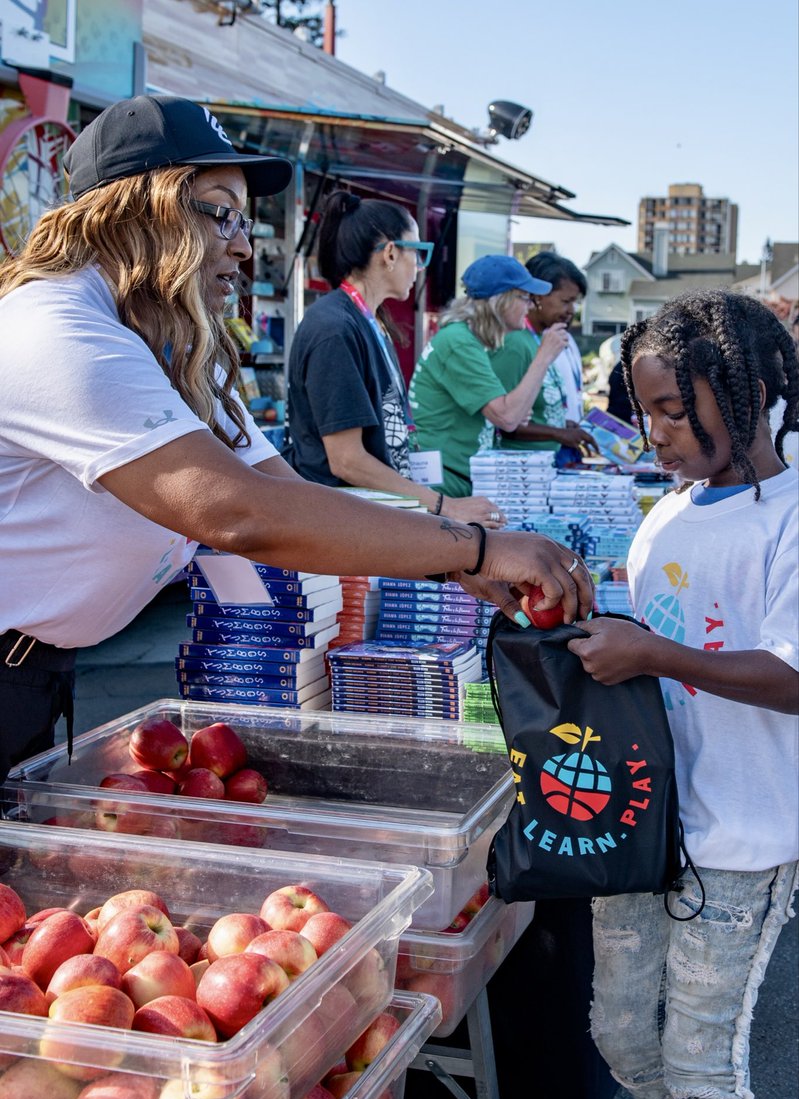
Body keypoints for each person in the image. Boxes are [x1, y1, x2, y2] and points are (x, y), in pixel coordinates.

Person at [0, 94, 595, 786]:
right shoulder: (60, 332)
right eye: (219, 212)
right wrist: (478, 548)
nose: (244, 245)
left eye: (244, 220)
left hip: (36, 672)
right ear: (134, 213)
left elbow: (284, 490)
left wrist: (451, 562)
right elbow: (239, 512)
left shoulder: (169, 343)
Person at [567, 289, 799, 1099]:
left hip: (745, 835)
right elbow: (652, 652)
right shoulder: (669, 510)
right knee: (620, 1032)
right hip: (645, 825)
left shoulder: (789, 517)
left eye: (674, 409)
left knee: (702, 1061)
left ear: (752, 392)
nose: (654, 434)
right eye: (644, 411)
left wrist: (653, 651)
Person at [282, 191, 503, 527]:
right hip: (340, 524)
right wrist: (445, 506)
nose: (418, 266)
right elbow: (347, 461)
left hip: (372, 515)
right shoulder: (334, 329)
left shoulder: (368, 320)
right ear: (390, 253)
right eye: (418, 252)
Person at [409, 255, 568, 497]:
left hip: (454, 475)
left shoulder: (468, 339)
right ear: (500, 301)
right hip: (445, 481)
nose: (530, 306)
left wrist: (514, 409)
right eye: (525, 297)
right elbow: (507, 418)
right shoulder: (459, 342)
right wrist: (543, 356)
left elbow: (506, 413)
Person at [490, 250, 599, 464]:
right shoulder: (515, 343)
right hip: (524, 467)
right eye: (566, 301)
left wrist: (562, 426)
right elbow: (502, 421)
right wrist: (557, 433)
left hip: (554, 457)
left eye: (575, 302)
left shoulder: (556, 337)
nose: (572, 310)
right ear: (538, 296)